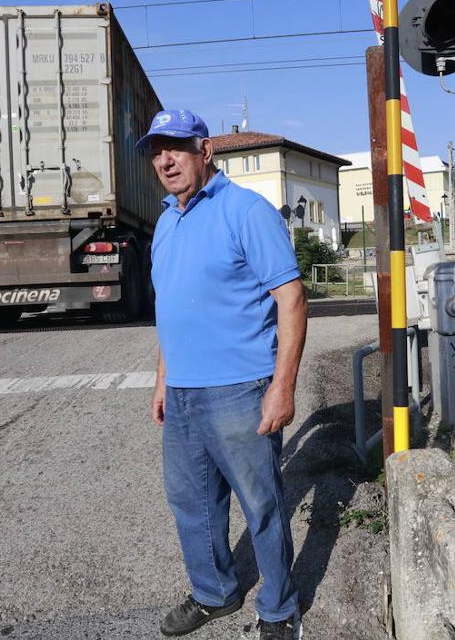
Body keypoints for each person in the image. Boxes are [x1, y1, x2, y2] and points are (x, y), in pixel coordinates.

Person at [137, 109, 308, 640]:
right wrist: (164, 379)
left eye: (176, 147)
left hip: (241, 389)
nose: (165, 159)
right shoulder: (167, 221)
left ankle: (279, 609)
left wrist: (283, 386)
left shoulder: (247, 211)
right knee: (192, 504)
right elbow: (173, 309)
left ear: (204, 150)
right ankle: (214, 594)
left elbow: (292, 299)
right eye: (156, 151)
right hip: (184, 394)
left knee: (261, 505)